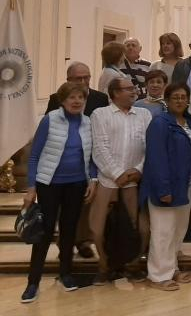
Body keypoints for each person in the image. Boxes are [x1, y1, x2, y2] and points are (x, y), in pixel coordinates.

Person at [21, 82, 97, 304]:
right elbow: (34, 156)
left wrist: (92, 179)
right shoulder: (50, 120)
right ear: (63, 100)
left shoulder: (88, 122)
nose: (77, 101)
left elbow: (91, 156)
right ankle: (33, 282)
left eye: (80, 97)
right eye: (72, 97)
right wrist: (31, 187)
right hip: (50, 184)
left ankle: (65, 274)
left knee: (69, 230)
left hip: (77, 184)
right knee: (44, 233)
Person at [89, 78, 152, 285]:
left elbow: (149, 146)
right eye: (128, 89)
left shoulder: (144, 115)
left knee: (139, 228)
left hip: (134, 180)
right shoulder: (100, 114)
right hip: (108, 180)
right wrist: (117, 174)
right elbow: (100, 147)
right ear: (115, 93)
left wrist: (138, 170)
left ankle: (132, 265)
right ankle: (105, 267)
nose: (134, 92)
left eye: (134, 88)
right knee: (99, 229)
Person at [45, 62, 108, 260]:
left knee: (86, 204)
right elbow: (49, 130)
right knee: (64, 208)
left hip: (91, 159)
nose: (82, 81)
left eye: (86, 77)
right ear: (68, 80)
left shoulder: (100, 98)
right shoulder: (56, 99)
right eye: (77, 78)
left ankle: (83, 241)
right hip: (64, 161)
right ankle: (65, 243)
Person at [141, 82, 191, 291]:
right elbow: (156, 158)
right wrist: (164, 189)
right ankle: (157, 276)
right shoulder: (159, 123)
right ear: (167, 100)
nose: (180, 101)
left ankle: (171, 268)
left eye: (183, 97)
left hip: (186, 185)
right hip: (165, 187)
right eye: (176, 97)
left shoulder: (190, 122)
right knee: (163, 232)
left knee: (178, 231)